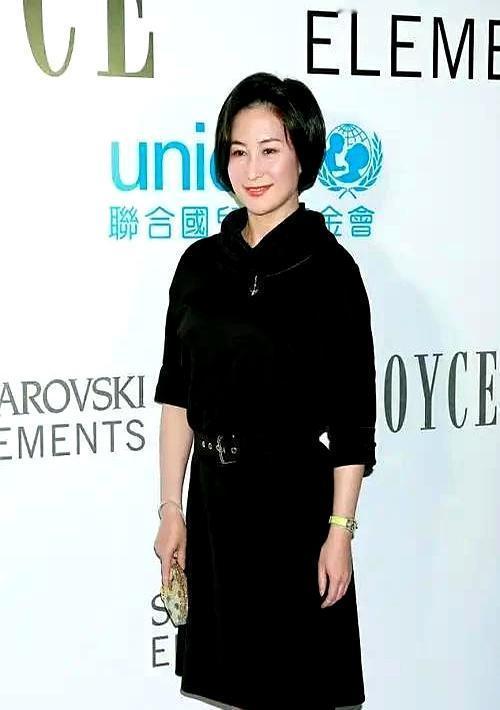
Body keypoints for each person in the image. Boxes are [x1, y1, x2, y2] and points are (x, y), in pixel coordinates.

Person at [153, 72, 377, 710]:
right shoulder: (199, 265)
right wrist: (171, 509)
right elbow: (178, 396)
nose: (252, 170)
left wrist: (339, 530)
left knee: (297, 688)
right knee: (230, 689)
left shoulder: (331, 271)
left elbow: (353, 421)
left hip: (293, 511)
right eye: (238, 151)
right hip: (214, 507)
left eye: (270, 150)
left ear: (302, 157)